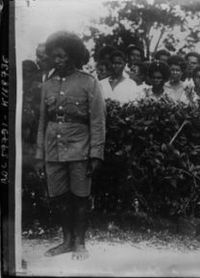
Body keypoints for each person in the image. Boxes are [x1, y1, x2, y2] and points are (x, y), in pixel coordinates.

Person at [35, 31, 106, 260]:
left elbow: (98, 121)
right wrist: (40, 154)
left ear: (73, 56)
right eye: (54, 56)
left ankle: (80, 243)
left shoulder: (89, 83)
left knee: (80, 197)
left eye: (62, 56)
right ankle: (66, 241)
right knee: (59, 197)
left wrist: (96, 154)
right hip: (53, 150)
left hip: (80, 149)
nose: (57, 60)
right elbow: (43, 122)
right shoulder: (48, 85)